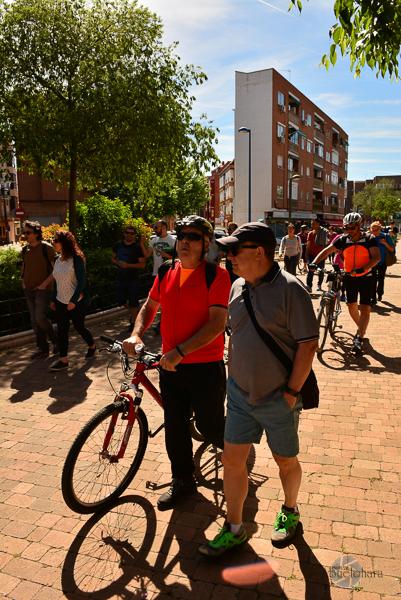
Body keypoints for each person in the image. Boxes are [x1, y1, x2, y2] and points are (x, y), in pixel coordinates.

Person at [199, 222, 318, 556]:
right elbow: (234, 335)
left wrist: (292, 393)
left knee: (285, 461)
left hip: (279, 397)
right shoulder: (237, 287)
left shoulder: (291, 290)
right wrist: (233, 375)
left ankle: (290, 510)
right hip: (239, 394)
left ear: (260, 252)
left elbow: (308, 346)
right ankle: (235, 527)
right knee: (232, 460)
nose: (229, 257)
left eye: (235, 250)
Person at [122, 215, 231, 510]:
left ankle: (236, 453)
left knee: (210, 427)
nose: (185, 241)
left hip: (205, 367)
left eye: (194, 237)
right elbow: (149, 306)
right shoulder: (167, 271)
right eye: (182, 235)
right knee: (175, 426)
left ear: (205, 243)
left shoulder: (216, 276)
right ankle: (183, 480)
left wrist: (181, 351)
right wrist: (135, 335)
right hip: (171, 366)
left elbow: (216, 324)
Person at [310, 212, 380, 355]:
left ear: (359, 226)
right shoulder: (343, 240)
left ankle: (359, 337)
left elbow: (376, 257)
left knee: (365, 308)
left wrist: (363, 268)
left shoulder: (369, 239)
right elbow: (326, 250)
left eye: (352, 228)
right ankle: (362, 329)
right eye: (346, 228)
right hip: (350, 276)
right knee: (351, 306)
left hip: (367, 276)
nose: (349, 231)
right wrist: (314, 262)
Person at [49, 230, 95, 371]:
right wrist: (53, 299)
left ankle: (92, 345)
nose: (53, 243)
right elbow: (56, 281)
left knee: (79, 327)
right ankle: (63, 360)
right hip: (60, 301)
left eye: (56, 240)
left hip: (76, 302)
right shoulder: (57, 260)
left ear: (64, 243)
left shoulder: (77, 259)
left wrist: (73, 301)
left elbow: (81, 282)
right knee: (62, 330)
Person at [21, 220, 57, 359]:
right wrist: (23, 282)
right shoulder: (25, 249)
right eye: (24, 232)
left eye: (28, 232)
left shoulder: (46, 248)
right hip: (28, 289)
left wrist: (44, 284)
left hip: (43, 289)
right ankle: (43, 349)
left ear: (36, 233)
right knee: (34, 321)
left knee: (40, 318)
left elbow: (56, 270)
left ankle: (56, 341)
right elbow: (24, 268)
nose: (25, 235)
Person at [112, 226, 147, 330]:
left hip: (133, 279)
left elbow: (142, 265)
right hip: (120, 278)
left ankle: (134, 323)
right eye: (128, 232)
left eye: (132, 233)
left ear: (135, 235)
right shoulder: (117, 245)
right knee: (121, 301)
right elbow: (113, 259)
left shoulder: (137, 248)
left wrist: (128, 265)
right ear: (124, 233)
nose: (129, 235)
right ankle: (136, 313)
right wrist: (118, 262)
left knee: (133, 302)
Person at [370, 221, 395, 304]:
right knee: (372, 280)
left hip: (382, 262)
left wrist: (385, 243)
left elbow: (392, 249)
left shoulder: (386, 236)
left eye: (375, 230)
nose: (374, 232)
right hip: (372, 262)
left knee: (381, 279)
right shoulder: (370, 237)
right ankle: (373, 298)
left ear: (380, 229)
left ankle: (380, 293)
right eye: (372, 230)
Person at [305, 218, 329, 293]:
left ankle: (319, 285)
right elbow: (308, 245)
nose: (312, 225)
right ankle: (309, 286)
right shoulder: (310, 233)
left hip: (321, 255)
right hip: (312, 255)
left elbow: (326, 244)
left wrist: (326, 254)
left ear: (318, 224)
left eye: (314, 223)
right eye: (312, 223)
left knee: (321, 271)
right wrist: (306, 254)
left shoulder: (324, 232)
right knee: (310, 271)